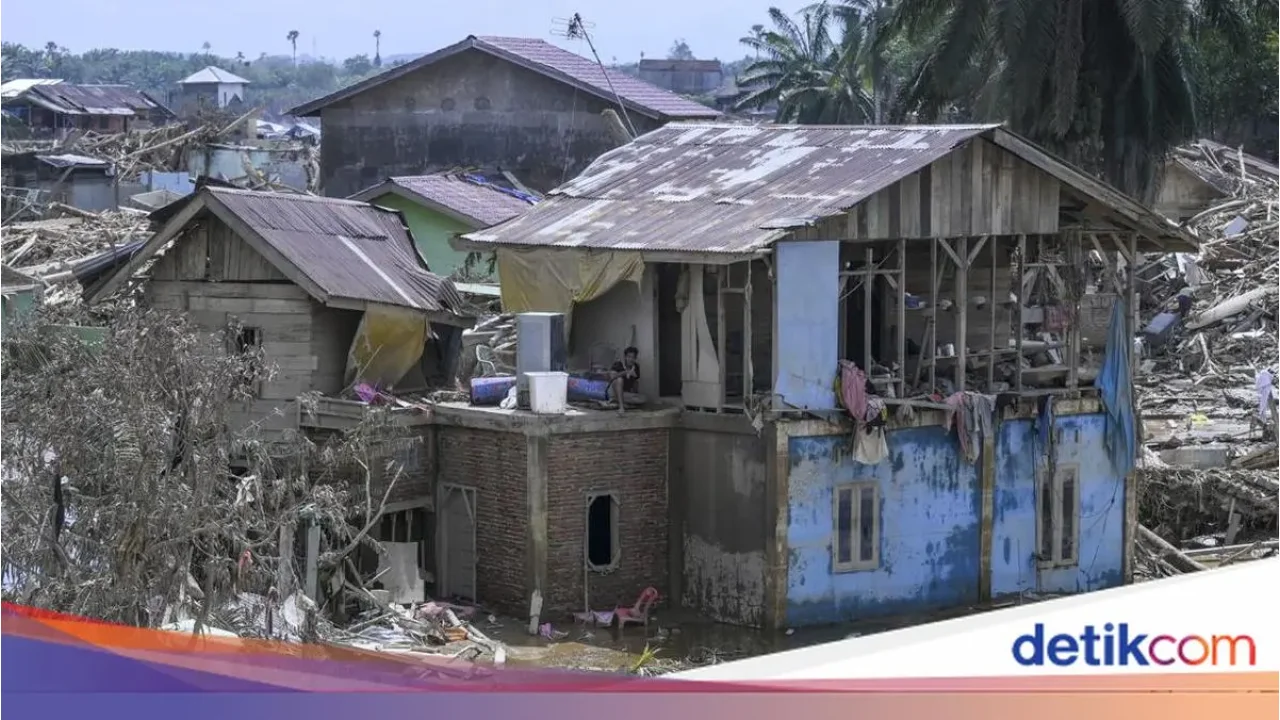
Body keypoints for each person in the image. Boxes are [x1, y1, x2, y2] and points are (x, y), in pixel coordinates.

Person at [608, 346, 643, 413]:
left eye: (633, 357)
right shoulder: (618, 364)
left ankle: (622, 402)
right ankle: (621, 407)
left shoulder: (636, 366)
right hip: (614, 392)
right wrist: (625, 372)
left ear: (635, 358)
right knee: (620, 380)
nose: (630, 359)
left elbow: (636, 382)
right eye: (629, 357)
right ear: (625, 357)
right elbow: (612, 377)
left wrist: (634, 376)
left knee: (642, 399)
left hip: (625, 394)